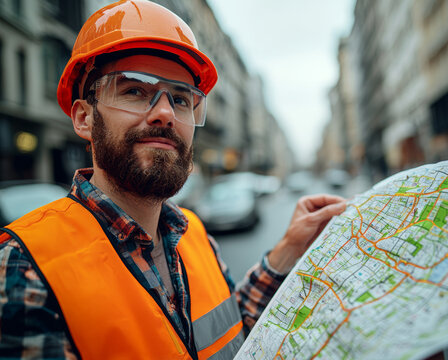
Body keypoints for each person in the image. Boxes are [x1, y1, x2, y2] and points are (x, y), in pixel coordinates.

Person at [0, 1, 346, 359]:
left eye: (181, 99)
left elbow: (227, 333)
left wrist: (288, 250)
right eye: (135, 90)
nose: (165, 113)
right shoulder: (25, 267)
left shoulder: (194, 234)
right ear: (84, 118)